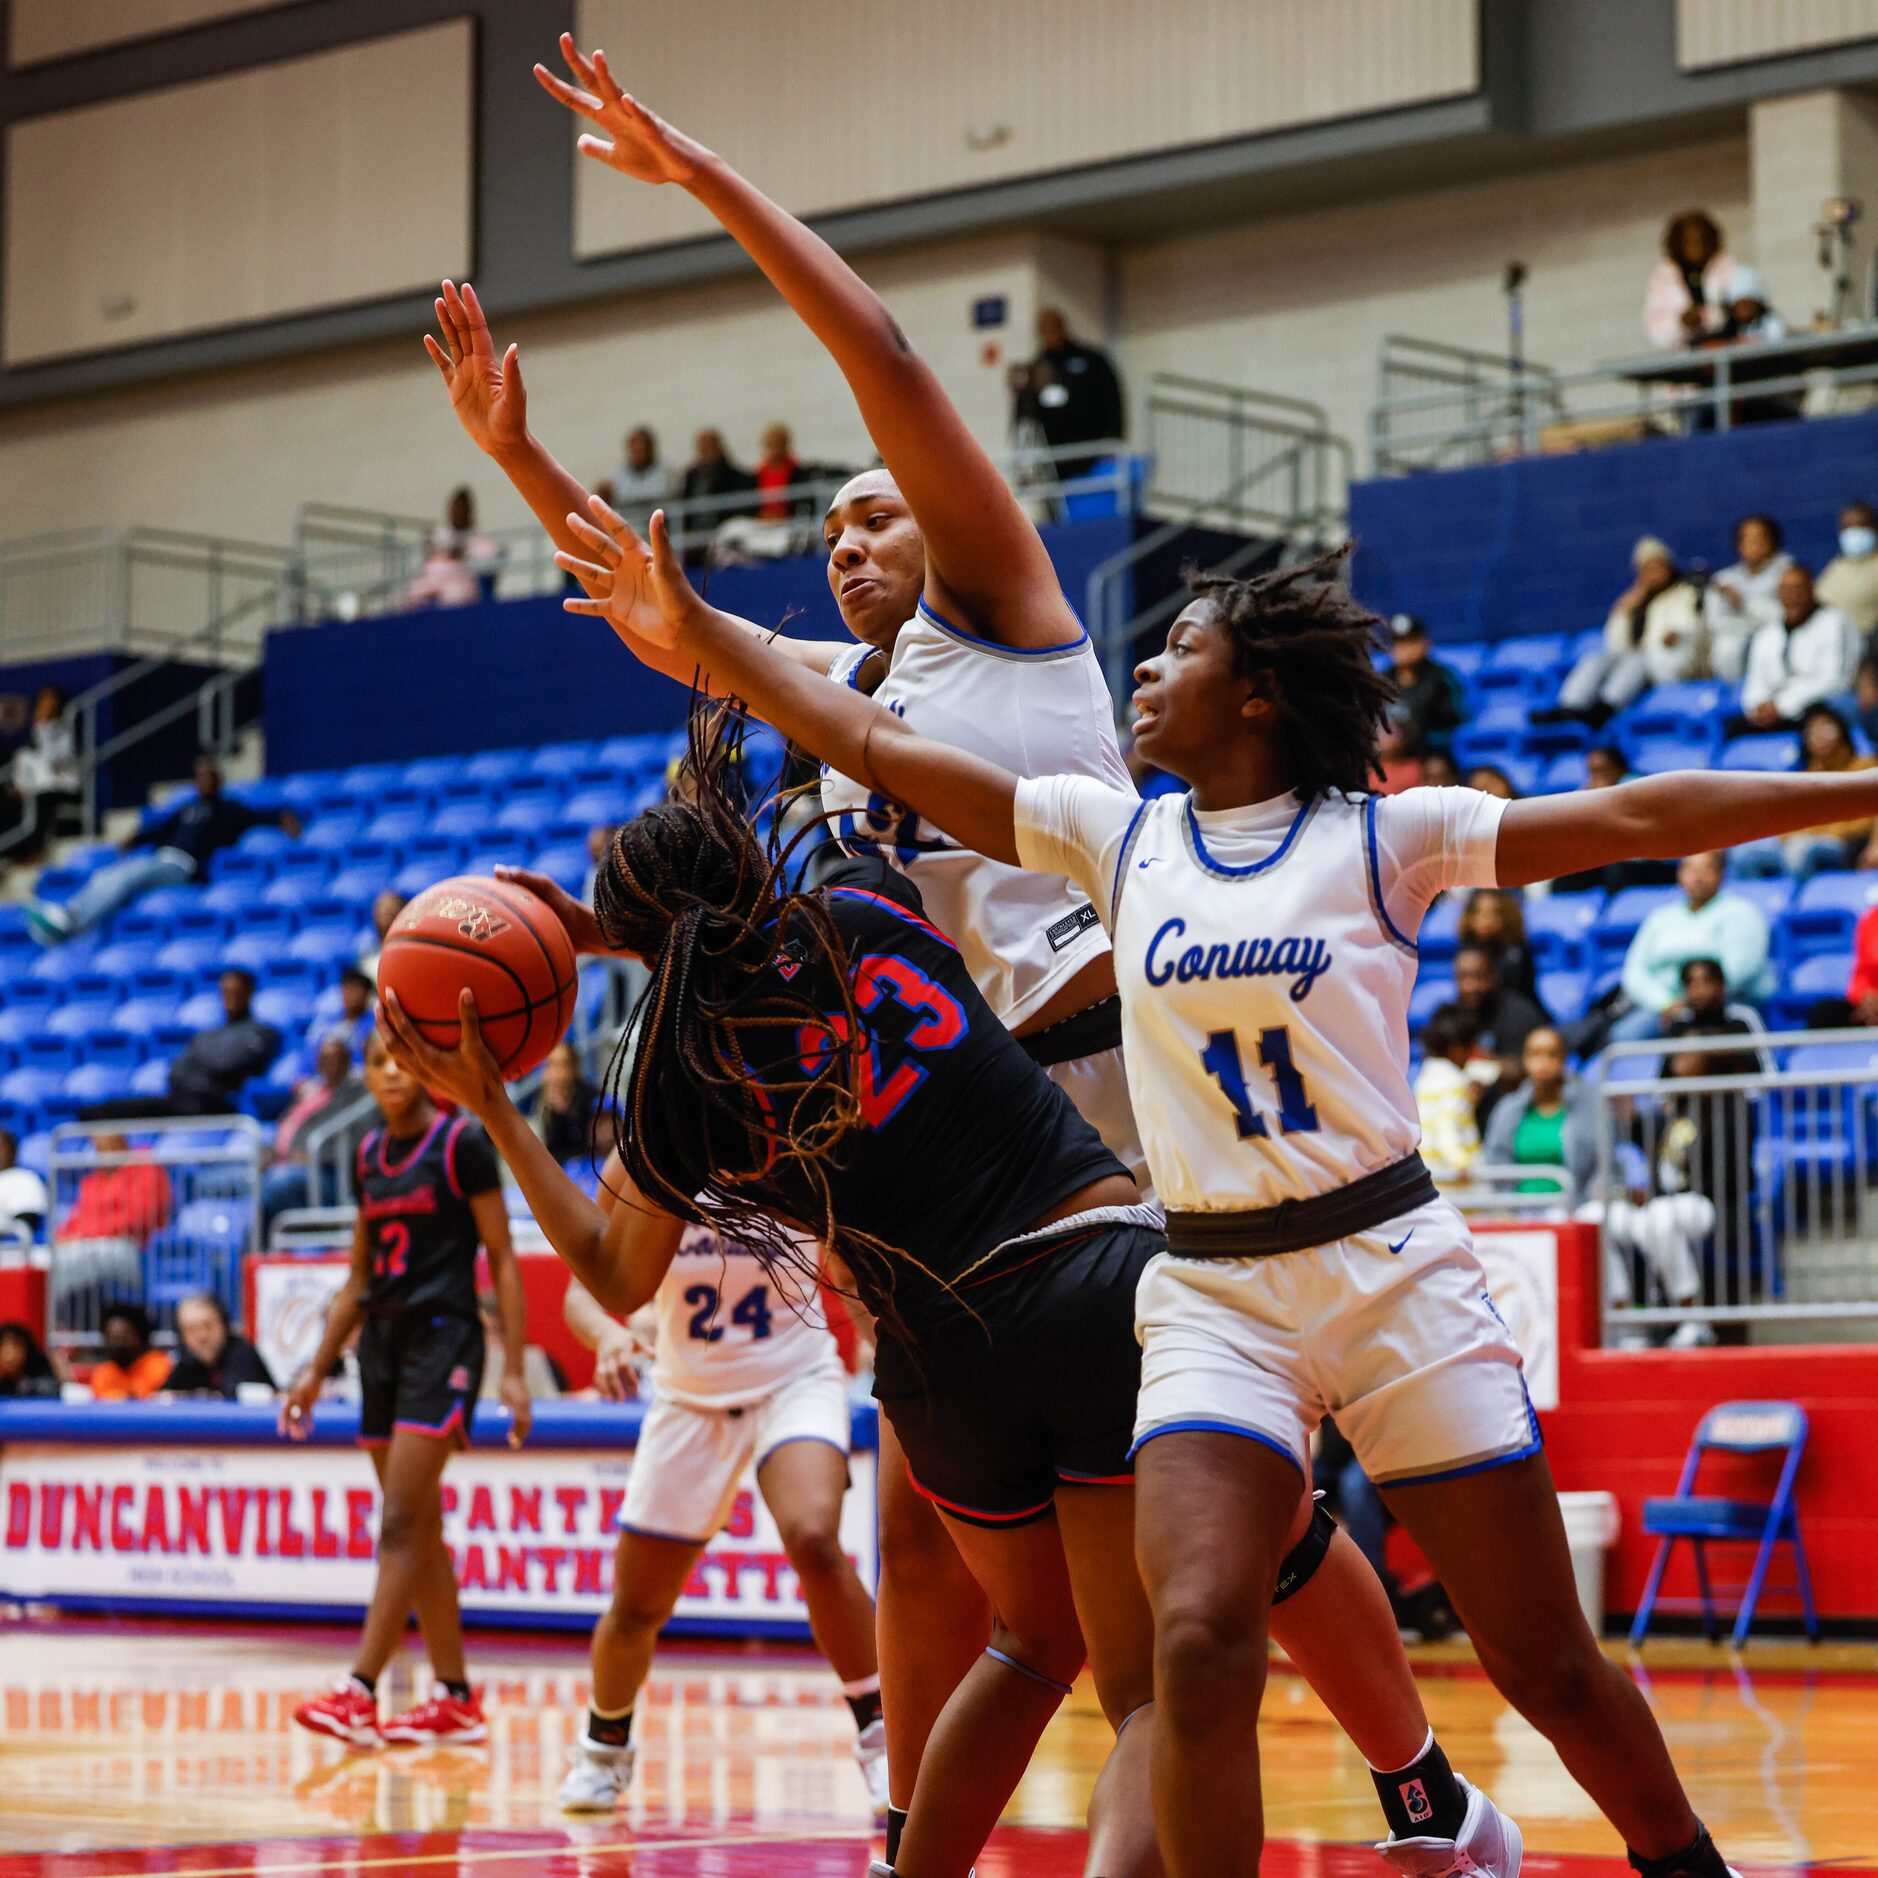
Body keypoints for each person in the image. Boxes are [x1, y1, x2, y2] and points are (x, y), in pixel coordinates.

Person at [484, 50, 1510, 1869]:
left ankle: (1417, 1790)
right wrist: (515, 459)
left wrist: (703, 173)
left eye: (871, 511)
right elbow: (656, 602)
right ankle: (916, 1828)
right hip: (946, 1146)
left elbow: (881, 351)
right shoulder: (837, 718)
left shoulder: (1008, 626)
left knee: (1227, 1542)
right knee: (935, 1534)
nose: (849, 537)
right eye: (833, 529)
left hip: (1119, 1075)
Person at [582, 502, 1845, 1878]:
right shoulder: (1112, 838)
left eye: (1175, 647)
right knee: (1187, 1645)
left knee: (1544, 1666)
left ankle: (1678, 1858)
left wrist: (1859, 792)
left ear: (1251, 692)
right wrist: (695, 630)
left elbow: (1639, 813)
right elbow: (874, 743)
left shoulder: (1384, 835)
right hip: (1208, 1292)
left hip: (1386, 1271)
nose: (1140, 667)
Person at [383, 710, 1519, 1878]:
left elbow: (615, 1273)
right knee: (1138, 1701)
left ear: (642, 943)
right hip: (1085, 1283)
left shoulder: (686, 1079)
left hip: (934, 1368)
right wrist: (618, 927)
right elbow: (788, 867)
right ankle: (1413, 1796)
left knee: (1027, 1650)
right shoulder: (863, 903)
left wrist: (499, 1106)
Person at [553, 1213, 887, 1816]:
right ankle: (604, 1746)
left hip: (795, 1379)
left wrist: (887, 1348)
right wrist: (608, 1337)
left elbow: (846, 1263)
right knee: (636, 1605)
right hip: (688, 1396)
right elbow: (581, 1289)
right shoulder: (648, 1151)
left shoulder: (797, 1140)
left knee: (813, 1539)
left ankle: (880, 1735)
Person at [280, 1028, 533, 1750]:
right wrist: (315, 1368)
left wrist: (512, 1370)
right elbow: (358, 1278)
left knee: (399, 1521)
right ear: (364, 1076)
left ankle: (359, 1691)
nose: (390, 1073)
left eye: (400, 1061)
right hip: (382, 1347)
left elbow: (504, 1261)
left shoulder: (461, 1145)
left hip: (443, 1339)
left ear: (424, 1070)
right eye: (377, 1063)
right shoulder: (367, 1155)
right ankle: (454, 1698)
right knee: (418, 1530)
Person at [24, 755, 302, 945]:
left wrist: (282, 818)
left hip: (183, 866)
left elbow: (259, 816)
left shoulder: (230, 809)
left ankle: (71, 921)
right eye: (199, 776)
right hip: (161, 858)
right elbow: (158, 830)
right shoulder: (186, 809)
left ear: (218, 779)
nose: (204, 780)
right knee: (107, 875)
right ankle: (69, 915)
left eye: (209, 775)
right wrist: (133, 839)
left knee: (126, 875)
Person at [1612, 852, 1771, 1047]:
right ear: (1680, 873)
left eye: (1706, 868)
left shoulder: (1742, 912)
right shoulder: (1660, 917)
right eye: (1691, 868)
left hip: (1725, 1004)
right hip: (1665, 1005)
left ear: (1721, 873)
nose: (1698, 876)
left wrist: (1693, 998)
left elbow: (1740, 969)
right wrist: (1665, 1003)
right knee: (1622, 1037)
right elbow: (1634, 972)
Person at [80, 968, 281, 1120]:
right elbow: (176, 1072)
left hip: (219, 1106)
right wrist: (207, 1067)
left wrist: (202, 1062)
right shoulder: (208, 1035)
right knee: (102, 1112)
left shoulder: (262, 1033)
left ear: (249, 993)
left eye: (235, 991)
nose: (229, 998)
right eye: (225, 992)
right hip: (187, 1099)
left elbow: (224, 1064)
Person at [1546, 537, 1703, 727]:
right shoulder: (1635, 602)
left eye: (1657, 567)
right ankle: (1569, 707)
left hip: (1669, 661)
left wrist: (1669, 637)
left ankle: (1606, 708)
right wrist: (1622, 612)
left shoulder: (1685, 593)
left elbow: (1686, 627)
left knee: (1637, 660)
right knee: (1595, 659)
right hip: (1633, 662)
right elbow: (1615, 644)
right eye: (1646, 569)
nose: (1653, 574)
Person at [1732, 703, 1876, 878]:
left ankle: (1799, 900)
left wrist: (1819, 833)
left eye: (1827, 729)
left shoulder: (1865, 767)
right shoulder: (1807, 774)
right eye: (1814, 732)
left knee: (1802, 850)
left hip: (1844, 845)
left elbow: (1865, 821)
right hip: (1802, 841)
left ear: (1842, 731)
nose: (1821, 737)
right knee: (1745, 853)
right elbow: (1788, 822)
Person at [51, 1134, 172, 1334]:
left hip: (131, 1246)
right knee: (47, 1258)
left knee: (64, 1262)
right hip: (91, 1246)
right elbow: (76, 1219)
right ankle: (69, 1331)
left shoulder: (145, 1168)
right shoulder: (93, 1181)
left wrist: (85, 1234)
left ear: (121, 1144)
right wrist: (62, 1236)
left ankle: (63, 1331)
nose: (101, 1154)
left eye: (105, 1148)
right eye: (97, 1148)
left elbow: (139, 1218)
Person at [262, 1033, 368, 1233]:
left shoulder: (356, 1094)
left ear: (348, 1061)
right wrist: (271, 1152)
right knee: (247, 1176)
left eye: (337, 1058)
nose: (331, 1065)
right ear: (318, 1064)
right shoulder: (311, 1095)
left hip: (326, 1174)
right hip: (288, 1162)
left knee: (280, 1181)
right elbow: (285, 1126)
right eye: (325, 1059)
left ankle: (261, 1247)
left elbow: (354, 1140)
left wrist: (309, 1156)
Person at [1480, 1028, 1597, 1206]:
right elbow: (1496, 1162)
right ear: (1525, 1060)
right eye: (1535, 1054)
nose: (1543, 1063)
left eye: (1552, 1054)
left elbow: (1602, 1166)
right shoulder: (1508, 1110)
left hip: (1574, 1210)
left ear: (1564, 1059)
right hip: (1521, 1214)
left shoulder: (1588, 1108)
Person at [1737, 564, 1861, 732]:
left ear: (1812, 589)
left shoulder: (1835, 623)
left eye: (1797, 588)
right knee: (1735, 731)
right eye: (1785, 589)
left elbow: (1833, 680)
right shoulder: (1766, 634)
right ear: (1778, 594)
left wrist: (1782, 705)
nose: (1792, 595)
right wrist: (1758, 707)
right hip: (1772, 714)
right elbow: (1756, 683)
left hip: (1819, 708)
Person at [1551, 748, 1678, 897]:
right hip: (1612, 860)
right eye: (1592, 771)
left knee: (1615, 870)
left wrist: (1596, 797)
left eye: (1602, 769)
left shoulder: (1636, 786)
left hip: (1650, 862)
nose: (1597, 777)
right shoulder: (1588, 790)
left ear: (1619, 768)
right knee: (1565, 876)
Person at [1439, 944, 1548, 1116]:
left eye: (1478, 977)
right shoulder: (1450, 1018)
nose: (1470, 986)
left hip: (1515, 1115)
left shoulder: (1520, 1014)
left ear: (1494, 976)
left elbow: (1532, 1071)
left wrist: (1486, 1063)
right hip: (1461, 1117)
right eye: (1463, 978)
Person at [1021, 307, 1126, 481]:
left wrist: (1113, 438)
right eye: (1043, 330)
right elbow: (1028, 413)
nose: (1048, 334)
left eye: (1052, 328)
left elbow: (1113, 400)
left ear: (1061, 328)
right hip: (1057, 455)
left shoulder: (1092, 359)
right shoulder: (1038, 367)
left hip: (1092, 448)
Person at [1643, 209, 1752, 350]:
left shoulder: (1732, 270)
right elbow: (1655, 328)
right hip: (1687, 357)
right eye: (1690, 242)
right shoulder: (1664, 278)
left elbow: (1743, 311)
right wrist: (1680, 323)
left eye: (1702, 240)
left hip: (1730, 350)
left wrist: (1707, 318)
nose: (1697, 247)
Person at [1704, 515, 1790, 681]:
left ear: (1773, 541)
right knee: (1726, 647)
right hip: (1736, 642)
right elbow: (1716, 623)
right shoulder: (1724, 578)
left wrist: (1743, 603)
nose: (1753, 545)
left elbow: (1781, 617)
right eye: (1746, 539)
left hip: (1776, 642)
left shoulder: (1788, 573)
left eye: (1760, 538)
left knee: (1769, 642)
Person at [2, 684, 79, 862]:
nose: (44, 706)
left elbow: (55, 758)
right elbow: (24, 767)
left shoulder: (64, 731)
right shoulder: (30, 741)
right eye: (42, 702)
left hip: (64, 788)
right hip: (37, 791)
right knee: (9, 803)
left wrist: (43, 727)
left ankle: (36, 851)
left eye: (49, 701)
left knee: (41, 800)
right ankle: (12, 854)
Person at [1414, 1008, 1482, 1186]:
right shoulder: (1456, 1084)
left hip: (1430, 1175)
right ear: (1457, 1049)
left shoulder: (1424, 1079)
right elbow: (1446, 1128)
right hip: (1456, 1184)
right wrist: (1461, 1163)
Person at [166, 1292, 275, 1398]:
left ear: (224, 1324)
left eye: (208, 1326)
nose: (201, 1336)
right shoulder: (188, 1363)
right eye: (191, 1330)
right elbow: (164, 1396)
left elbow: (242, 1395)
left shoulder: (243, 1355)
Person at [1384, 615, 1464, 759]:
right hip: (1390, 756)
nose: (1405, 649)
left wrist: (1415, 737)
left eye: (1410, 642)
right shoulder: (1382, 680)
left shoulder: (1442, 677)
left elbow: (1458, 719)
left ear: (1425, 643)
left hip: (1430, 755)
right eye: (1399, 643)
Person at [525, 1040, 606, 1168]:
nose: (558, 1072)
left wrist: (567, 1112)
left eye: (563, 1065)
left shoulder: (592, 1098)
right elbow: (551, 1150)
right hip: (561, 1171)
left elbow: (599, 1145)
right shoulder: (544, 1102)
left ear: (574, 1068)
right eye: (552, 1065)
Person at [1457, 887, 1538, 998]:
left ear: (1507, 916)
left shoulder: (1516, 953)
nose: (1486, 920)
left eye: (1494, 913)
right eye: (1479, 912)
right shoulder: (1465, 950)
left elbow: (1519, 994)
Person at [1816, 500, 1878, 637]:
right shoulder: (1837, 565)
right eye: (1847, 527)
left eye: (1860, 526)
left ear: (1874, 528)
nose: (1853, 533)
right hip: (1830, 642)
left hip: (1867, 647)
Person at [90, 1302, 171, 1399]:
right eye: (112, 1337)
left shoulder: (158, 1365)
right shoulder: (104, 1372)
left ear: (141, 1336)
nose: (118, 1344)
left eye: (124, 1337)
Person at [305, 967, 377, 1060]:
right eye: (347, 989)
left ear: (367, 994)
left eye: (356, 990)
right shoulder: (326, 1021)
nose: (351, 995)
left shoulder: (376, 1022)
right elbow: (310, 1053)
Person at [615, 425, 672, 536]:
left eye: (641, 448)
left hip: (657, 528)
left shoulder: (665, 472)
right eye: (634, 448)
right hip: (629, 526)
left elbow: (661, 501)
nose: (638, 452)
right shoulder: (620, 474)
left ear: (651, 448)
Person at [0, 1128, 49, 1238]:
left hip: (12, 1251)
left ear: (13, 1151)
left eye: (0, 1147)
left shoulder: (24, 1179)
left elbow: (25, 1227)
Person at [0, 1319, 59, 1398]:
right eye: (4, 1349)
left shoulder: (41, 1368)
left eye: (15, 1347)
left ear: (27, 1349)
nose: (9, 1356)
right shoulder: (5, 1385)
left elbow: (53, 1390)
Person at [360, 889, 408, 984]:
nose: (386, 913)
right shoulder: (366, 958)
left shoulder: (412, 952)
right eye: (381, 909)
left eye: (391, 909)